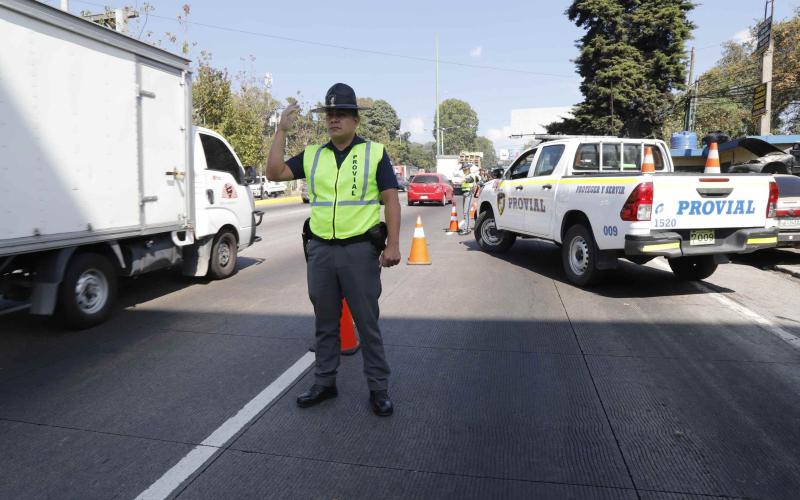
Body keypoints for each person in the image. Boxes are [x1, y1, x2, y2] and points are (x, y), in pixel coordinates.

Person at [266, 83, 401, 417]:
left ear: (356, 120)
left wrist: (394, 244)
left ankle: (379, 389)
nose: (333, 119)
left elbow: (391, 200)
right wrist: (281, 131)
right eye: (329, 114)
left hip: (359, 251)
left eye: (341, 114)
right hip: (321, 252)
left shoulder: (374, 153)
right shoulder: (313, 155)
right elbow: (274, 172)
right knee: (325, 323)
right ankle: (325, 382)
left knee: (367, 324)